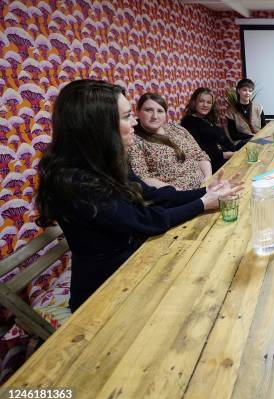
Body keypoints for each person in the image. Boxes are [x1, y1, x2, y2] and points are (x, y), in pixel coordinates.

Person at [35, 79, 243, 311]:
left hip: (136, 263)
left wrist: (206, 191)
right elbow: (147, 220)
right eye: (126, 116)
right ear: (98, 126)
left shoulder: (104, 163)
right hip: (106, 293)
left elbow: (156, 195)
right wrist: (203, 203)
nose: (134, 121)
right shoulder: (77, 182)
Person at [129, 92, 213, 190]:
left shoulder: (176, 128)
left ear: (165, 114)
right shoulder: (134, 141)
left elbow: (200, 155)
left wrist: (208, 178)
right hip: (179, 196)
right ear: (138, 112)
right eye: (148, 110)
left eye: (160, 111)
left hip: (205, 185)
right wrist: (182, 193)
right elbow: (143, 178)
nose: (154, 116)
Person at [181, 88, 237, 172]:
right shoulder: (188, 122)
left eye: (208, 102)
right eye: (201, 101)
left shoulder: (208, 119)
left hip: (228, 155)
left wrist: (234, 152)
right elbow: (198, 150)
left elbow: (224, 139)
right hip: (211, 163)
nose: (205, 105)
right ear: (194, 102)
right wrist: (226, 155)